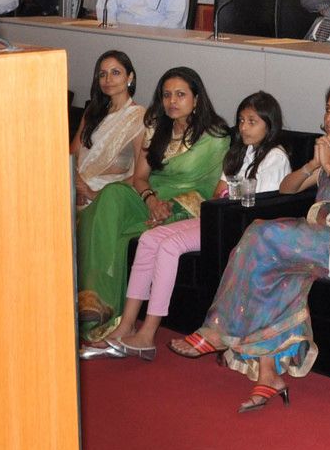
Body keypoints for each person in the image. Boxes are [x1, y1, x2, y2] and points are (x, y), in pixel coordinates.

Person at [170, 83, 330, 412]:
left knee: (260, 235)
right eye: (327, 109)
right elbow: (288, 187)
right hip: (322, 239)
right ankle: (269, 376)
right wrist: (315, 164)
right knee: (272, 271)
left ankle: (218, 329)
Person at [91, 93, 294, 361]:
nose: (243, 127)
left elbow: (256, 205)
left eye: (252, 122)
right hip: (217, 218)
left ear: (269, 124)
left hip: (240, 228)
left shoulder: (275, 156)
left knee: (170, 245)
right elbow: (219, 191)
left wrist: (226, 198)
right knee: (151, 238)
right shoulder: (240, 151)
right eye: (241, 121)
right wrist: (222, 201)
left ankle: (148, 333)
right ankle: (126, 324)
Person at [76, 67, 230, 342]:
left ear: (196, 99)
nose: (172, 101)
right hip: (150, 198)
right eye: (167, 95)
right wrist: (151, 200)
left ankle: (109, 313)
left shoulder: (215, 136)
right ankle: (94, 300)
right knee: (109, 197)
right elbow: (140, 178)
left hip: (186, 207)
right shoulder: (156, 128)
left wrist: (166, 205)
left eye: (180, 95)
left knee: (118, 230)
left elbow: (208, 188)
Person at [73, 50, 146, 207]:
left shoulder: (139, 117)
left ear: (130, 77)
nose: (108, 79)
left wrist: (94, 194)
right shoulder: (93, 111)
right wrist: (77, 186)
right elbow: (72, 153)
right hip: (77, 185)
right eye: (102, 74)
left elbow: (141, 175)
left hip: (108, 194)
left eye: (115, 72)